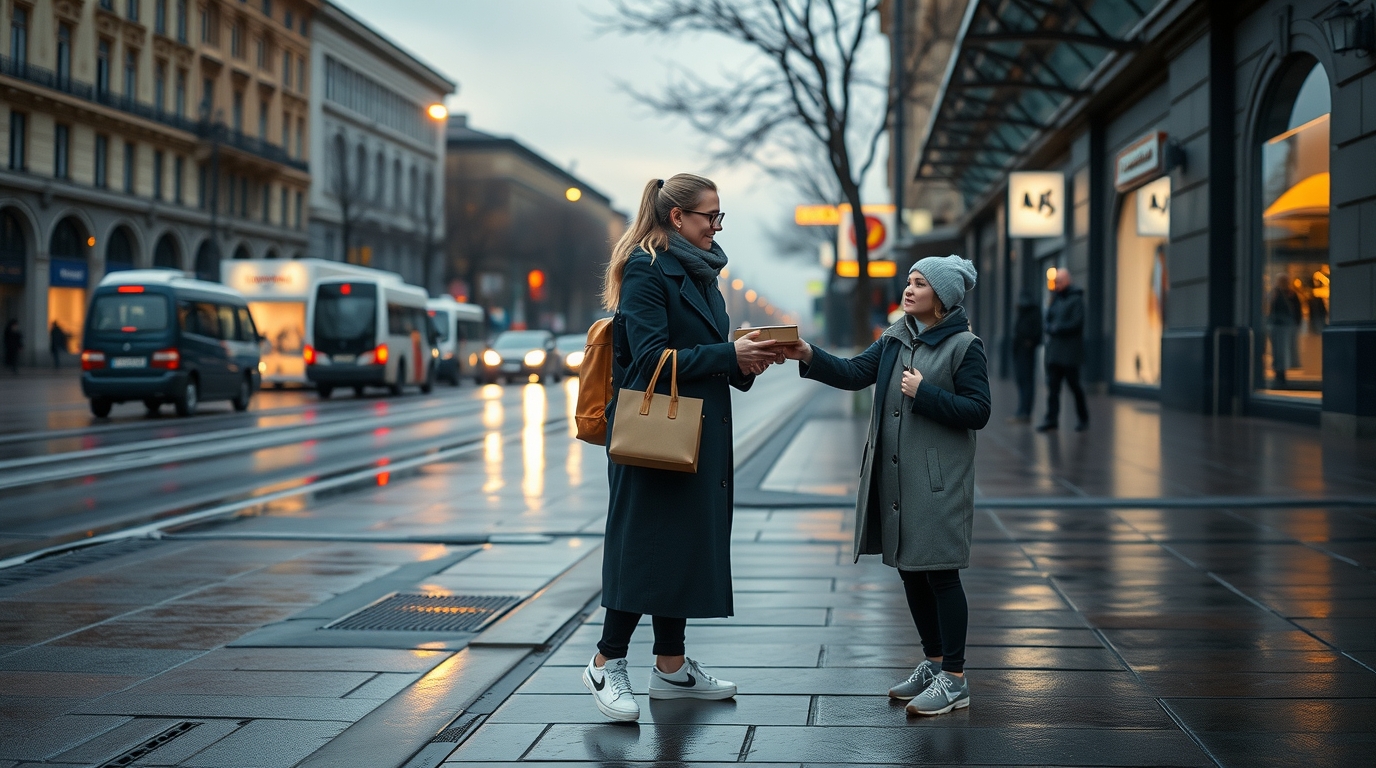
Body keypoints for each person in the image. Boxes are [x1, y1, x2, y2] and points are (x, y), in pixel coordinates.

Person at [582, 174, 783, 722]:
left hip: (695, 430)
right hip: (654, 430)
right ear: (677, 218)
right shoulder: (648, 270)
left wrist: (746, 360)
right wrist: (726, 356)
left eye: (720, 217)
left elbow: (708, 352)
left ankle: (671, 668)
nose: (716, 226)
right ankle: (606, 661)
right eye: (709, 216)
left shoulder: (703, 274)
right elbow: (646, 361)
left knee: (679, 544)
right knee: (643, 545)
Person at [780, 255, 990, 717]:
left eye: (920, 284)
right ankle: (934, 663)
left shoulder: (963, 346)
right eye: (909, 281)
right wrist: (808, 354)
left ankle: (955, 677)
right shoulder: (896, 339)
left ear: (942, 298)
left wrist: (927, 394)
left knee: (941, 571)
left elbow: (978, 410)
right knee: (909, 568)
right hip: (897, 476)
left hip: (938, 481)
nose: (909, 289)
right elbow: (855, 374)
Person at [1036, 268, 1089, 432]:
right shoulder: (1055, 298)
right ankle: (1051, 419)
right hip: (1054, 352)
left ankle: (1083, 418)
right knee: (1053, 388)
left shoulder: (1076, 299)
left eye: (1059, 281)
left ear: (1067, 281)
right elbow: (1048, 319)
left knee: (1075, 386)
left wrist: (1057, 328)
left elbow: (1077, 323)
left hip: (1070, 353)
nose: (1056, 284)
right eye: (1055, 281)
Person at [1009, 291, 1041, 423]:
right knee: (1022, 381)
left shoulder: (1033, 314)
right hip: (1020, 352)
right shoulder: (1023, 314)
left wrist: (1030, 343)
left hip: (1027, 353)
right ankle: (1022, 410)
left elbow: (1037, 333)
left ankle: (1025, 412)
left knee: (1026, 382)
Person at [1267, 275, 1301, 388]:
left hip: (1283, 325)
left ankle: (1280, 374)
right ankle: (1280, 374)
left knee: (1281, 351)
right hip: (1280, 325)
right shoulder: (1277, 294)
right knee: (1280, 351)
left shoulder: (1288, 294)